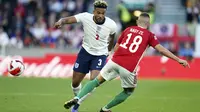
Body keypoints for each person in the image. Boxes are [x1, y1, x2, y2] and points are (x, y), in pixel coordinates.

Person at [63, 12, 190, 112]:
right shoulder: (150, 35)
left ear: (137, 21)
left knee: (96, 81)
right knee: (128, 91)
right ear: (149, 23)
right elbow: (161, 50)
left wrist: (113, 58)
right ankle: (105, 109)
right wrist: (178, 59)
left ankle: (77, 98)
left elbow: (117, 46)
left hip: (114, 61)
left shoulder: (128, 30)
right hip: (128, 67)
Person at [54, 0, 117, 112]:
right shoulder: (85, 17)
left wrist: (108, 51)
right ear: (94, 11)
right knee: (75, 83)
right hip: (85, 52)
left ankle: (76, 104)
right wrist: (61, 21)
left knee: (93, 81)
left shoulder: (111, 25)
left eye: (103, 13)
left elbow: (112, 38)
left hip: (100, 55)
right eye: (98, 13)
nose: (100, 16)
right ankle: (77, 100)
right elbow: (69, 19)